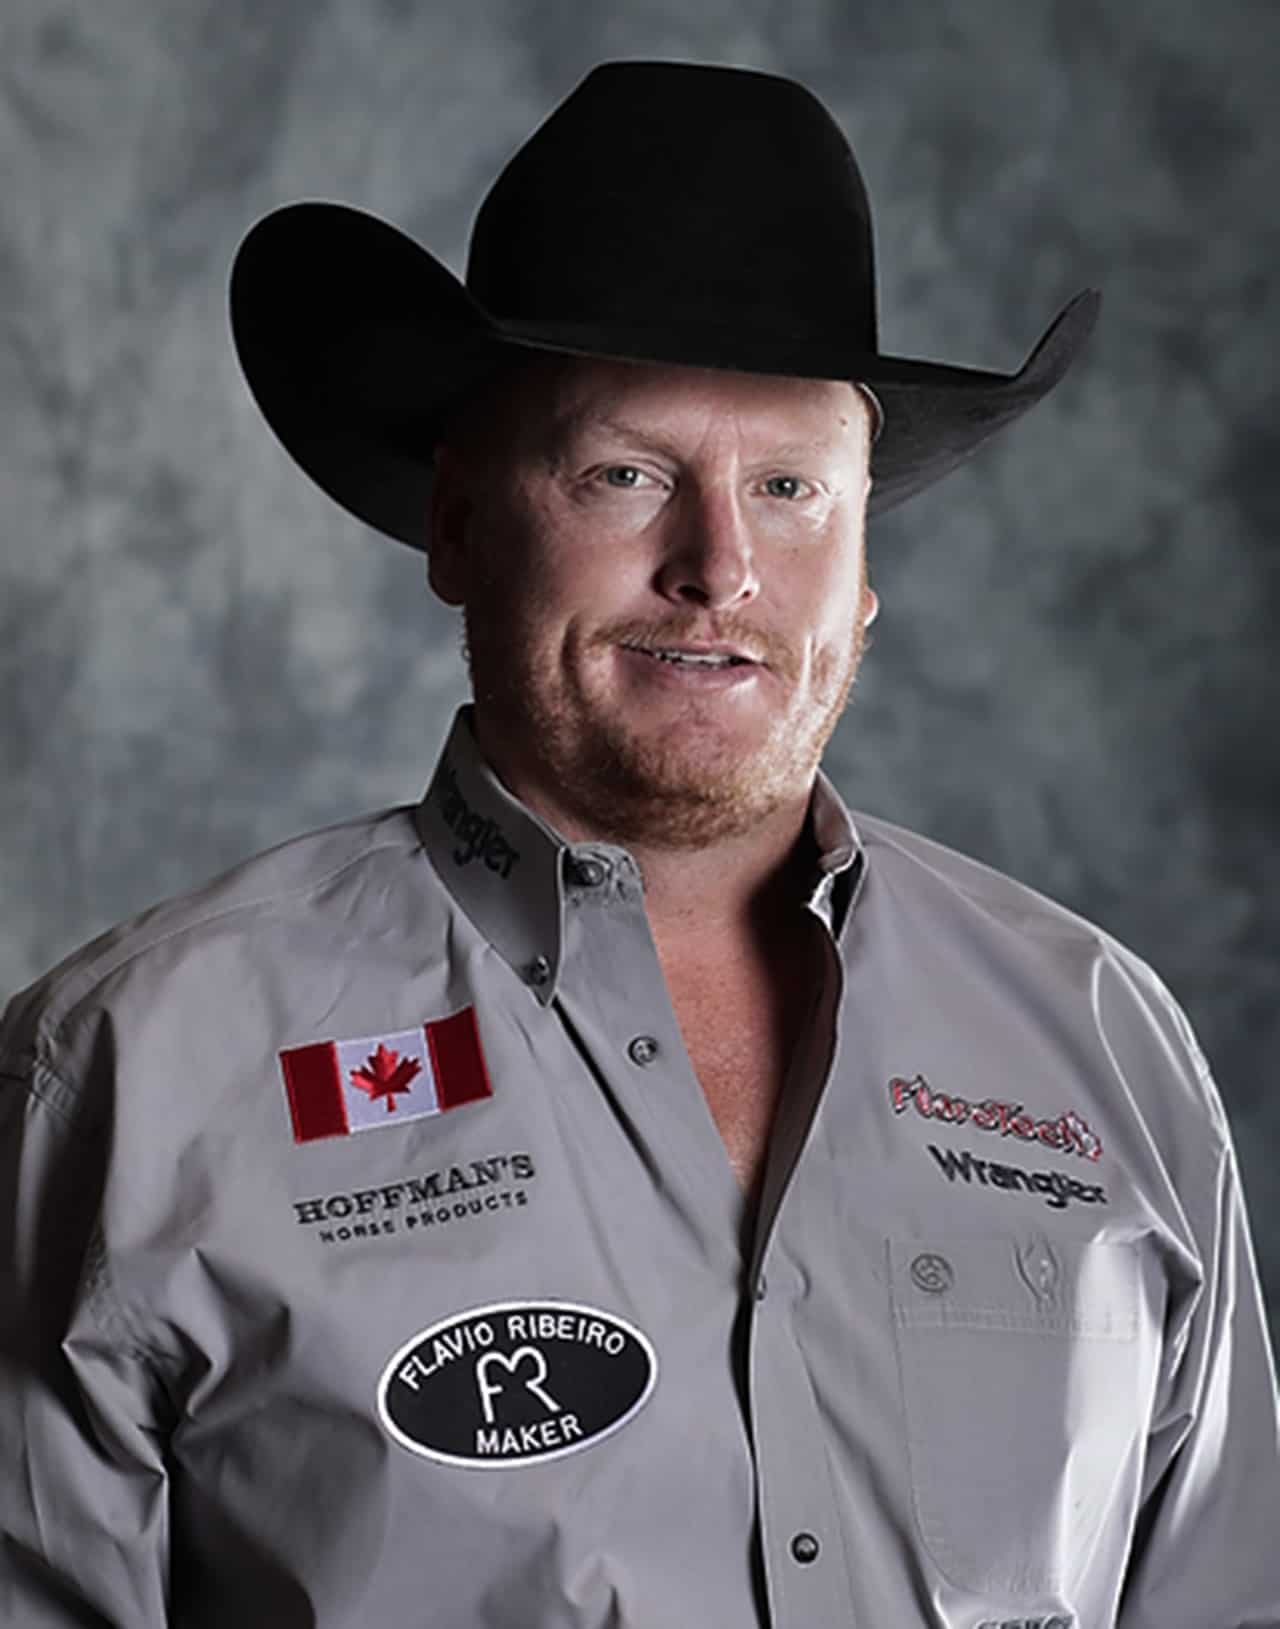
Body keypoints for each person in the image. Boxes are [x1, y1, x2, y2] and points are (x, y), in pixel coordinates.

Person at [1, 58, 1276, 1629]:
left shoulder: (1101, 1045)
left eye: (793, 486)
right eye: (626, 473)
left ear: (865, 571)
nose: (719, 568)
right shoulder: (132, 1073)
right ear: (460, 527)